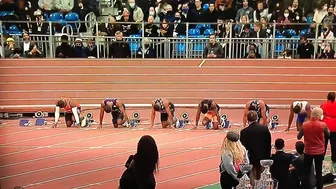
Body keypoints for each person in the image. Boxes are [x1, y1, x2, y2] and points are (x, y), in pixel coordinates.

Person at [297, 107, 330, 189]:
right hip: (319, 151)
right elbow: (328, 135)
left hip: (308, 151)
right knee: (319, 171)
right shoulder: (323, 125)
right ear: (319, 115)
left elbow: (298, 137)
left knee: (306, 172)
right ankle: (320, 187)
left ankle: (305, 187)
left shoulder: (305, 125)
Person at [240, 111, 272, 184]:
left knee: (252, 180)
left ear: (248, 119)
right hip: (263, 158)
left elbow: (243, 148)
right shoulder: (264, 128)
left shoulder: (244, 131)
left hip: (251, 159)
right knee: (263, 179)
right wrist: (268, 157)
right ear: (257, 118)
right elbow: (268, 144)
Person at [321, 92, 336, 161]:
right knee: (334, 145)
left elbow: (320, 115)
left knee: (324, 144)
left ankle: (321, 158)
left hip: (325, 127)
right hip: (335, 127)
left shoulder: (323, 105)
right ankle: (334, 159)